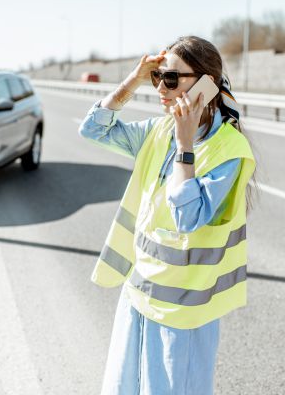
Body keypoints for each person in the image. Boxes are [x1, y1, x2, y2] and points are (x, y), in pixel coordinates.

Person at [78, 36, 256, 395]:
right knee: (125, 387)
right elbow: (94, 128)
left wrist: (185, 146)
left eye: (171, 79)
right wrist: (133, 79)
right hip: (139, 291)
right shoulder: (158, 131)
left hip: (184, 311)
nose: (160, 86)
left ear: (205, 83)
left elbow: (187, 218)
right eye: (157, 76)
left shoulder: (229, 151)